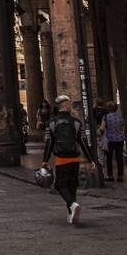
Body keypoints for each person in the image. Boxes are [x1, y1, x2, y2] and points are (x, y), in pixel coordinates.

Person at [43, 94, 89, 224]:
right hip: (75, 158)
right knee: (72, 185)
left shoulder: (52, 123)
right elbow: (83, 142)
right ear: (66, 106)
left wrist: (45, 160)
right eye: (70, 104)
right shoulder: (76, 122)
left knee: (60, 184)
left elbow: (49, 143)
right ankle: (71, 213)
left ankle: (72, 205)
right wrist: (91, 160)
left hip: (61, 158)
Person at [98, 99, 126, 183]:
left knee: (109, 158)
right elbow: (122, 127)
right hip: (120, 139)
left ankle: (110, 175)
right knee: (119, 158)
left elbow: (102, 128)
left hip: (110, 139)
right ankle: (120, 176)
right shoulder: (119, 116)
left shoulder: (106, 117)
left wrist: (100, 133)